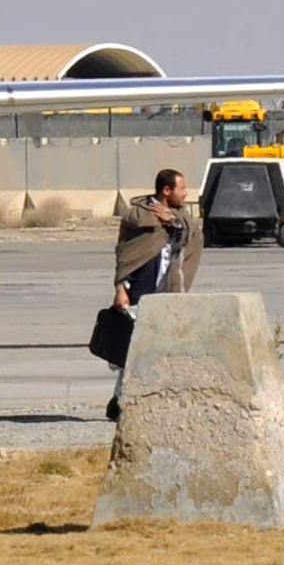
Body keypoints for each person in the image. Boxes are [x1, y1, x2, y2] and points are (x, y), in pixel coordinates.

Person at [99, 168, 202, 419]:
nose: (186, 193)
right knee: (133, 349)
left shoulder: (179, 217)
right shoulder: (137, 216)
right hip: (140, 289)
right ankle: (120, 401)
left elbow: (193, 234)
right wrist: (120, 287)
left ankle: (142, 400)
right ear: (167, 190)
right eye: (182, 189)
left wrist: (172, 221)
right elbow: (125, 253)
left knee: (165, 347)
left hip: (169, 290)